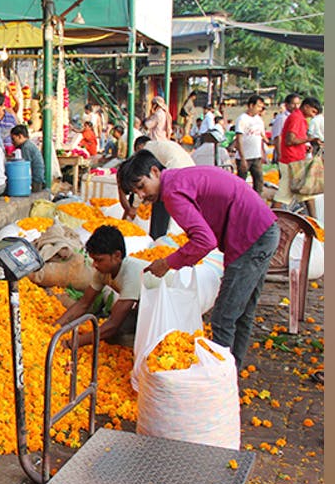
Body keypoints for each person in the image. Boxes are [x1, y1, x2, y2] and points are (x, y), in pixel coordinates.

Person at [117, 150, 280, 369]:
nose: (142, 195)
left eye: (141, 186)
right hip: (262, 230)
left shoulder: (173, 191)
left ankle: (217, 377)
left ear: (155, 172)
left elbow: (205, 241)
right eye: (135, 192)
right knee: (242, 312)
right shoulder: (178, 180)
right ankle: (231, 373)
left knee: (224, 317)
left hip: (250, 237)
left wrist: (167, 264)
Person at [52, 225, 143, 348]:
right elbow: (83, 304)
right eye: (93, 260)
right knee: (110, 333)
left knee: (118, 336)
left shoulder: (132, 273)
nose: (94, 265)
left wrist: (72, 343)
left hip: (167, 309)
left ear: (117, 255)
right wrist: (54, 329)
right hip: (144, 307)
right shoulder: (102, 272)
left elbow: (113, 325)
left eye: (99, 260)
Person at [122, 135, 194, 239]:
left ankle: (158, 238)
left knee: (160, 200)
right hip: (189, 174)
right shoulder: (161, 146)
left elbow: (140, 182)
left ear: (139, 147)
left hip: (177, 175)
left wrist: (134, 207)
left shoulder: (146, 152)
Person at [273, 96, 324, 216]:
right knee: (283, 195)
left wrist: (304, 145)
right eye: (313, 112)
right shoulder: (296, 118)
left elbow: (295, 140)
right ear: (306, 107)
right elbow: (290, 140)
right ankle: (270, 220)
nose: (312, 115)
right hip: (291, 161)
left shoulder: (299, 118)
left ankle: (315, 224)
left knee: (306, 194)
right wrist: (310, 139)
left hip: (296, 160)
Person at [234, 95, 268, 194]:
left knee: (259, 182)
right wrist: (243, 158)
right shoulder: (242, 119)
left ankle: (256, 203)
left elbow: (261, 137)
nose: (260, 109)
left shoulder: (259, 120)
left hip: (256, 156)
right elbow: (239, 139)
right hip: (245, 157)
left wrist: (263, 153)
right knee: (241, 183)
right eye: (258, 106)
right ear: (251, 105)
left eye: (261, 107)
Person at [10, 124, 47, 192]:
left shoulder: (26, 147)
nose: (12, 142)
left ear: (20, 136)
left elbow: (25, 167)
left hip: (36, 179)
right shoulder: (29, 144)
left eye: (13, 139)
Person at [269, 93, 302, 162]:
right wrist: (279, 154)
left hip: (294, 154)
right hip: (284, 154)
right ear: (286, 105)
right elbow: (277, 137)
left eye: (298, 104)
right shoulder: (282, 118)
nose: (296, 107)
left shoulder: (298, 117)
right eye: (293, 104)